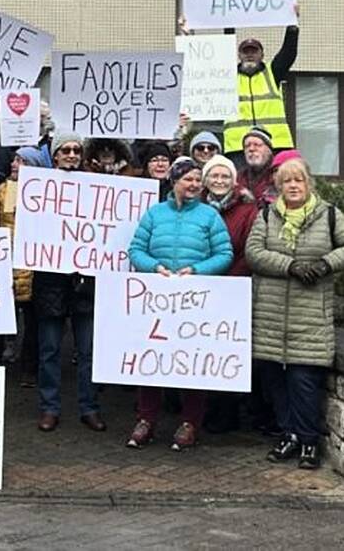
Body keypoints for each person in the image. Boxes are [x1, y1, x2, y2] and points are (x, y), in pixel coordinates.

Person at [127, 157, 233, 451]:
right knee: (151, 358)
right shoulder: (154, 214)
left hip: (194, 299)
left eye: (198, 180)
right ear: (174, 182)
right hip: (158, 298)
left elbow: (224, 254)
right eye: (188, 179)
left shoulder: (210, 216)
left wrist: (197, 271)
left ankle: (190, 423)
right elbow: (135, 248)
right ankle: (146, 419)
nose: (195, 185)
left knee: (191, 361)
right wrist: (154, 267)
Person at [245, 157, 344, 470]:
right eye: (286, 181)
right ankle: (288, 434)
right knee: (275, 380)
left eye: (298, 180)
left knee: (304, 382)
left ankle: (309, 441)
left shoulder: (328, 215)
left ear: (308, 183)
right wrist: (291, 266)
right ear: (279, 185)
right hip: (270, 316)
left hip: (310, 316)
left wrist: (325, 264)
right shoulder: (267, 216)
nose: (293, 186)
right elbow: (254, 253)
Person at [34, 131, 105, 434]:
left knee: (88, 351)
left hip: (85, 283)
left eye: (77, 150)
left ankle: (88, 407)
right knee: (49, 350)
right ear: (55, 155)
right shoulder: (38, 190)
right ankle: (50, 407)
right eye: (66, 150)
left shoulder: (99, 188)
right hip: (50, 282)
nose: (72, 155)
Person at [201, 153, 258, 434]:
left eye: (225, 176)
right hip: (201, 288)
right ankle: (204, 410)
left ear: (233, 181)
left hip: (232, 288)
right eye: (214, 175)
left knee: (226, 351)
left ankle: (227, 413)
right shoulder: (197, 206)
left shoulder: (247, 210)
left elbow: (250, 251)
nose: (220, 180)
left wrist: (227, 281)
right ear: (206, 180)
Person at [0, 145, 48, 387]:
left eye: (21, 161)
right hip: (6, 264)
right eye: (14, 160)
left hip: (34, 266)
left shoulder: (46, 193)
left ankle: (29, 369)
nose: (13, 164)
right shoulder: (4, 190)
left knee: (32, 323)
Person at [223, 23, 298, 162]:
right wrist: (228, 22)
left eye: (254, 51)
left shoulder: (273, 72)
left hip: (275, 144)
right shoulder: (228, 76)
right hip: (238, 147)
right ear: (239, 55)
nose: (250, 55)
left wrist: (292, 27)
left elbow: (288, 53)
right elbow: (222, 48)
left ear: (262, 55)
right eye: (246, 52)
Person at [237, 126, 275, 208]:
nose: (251, 149)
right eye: (247, 146)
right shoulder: (239, 177)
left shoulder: (277, 174)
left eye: (257, 145)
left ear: (269, 150)